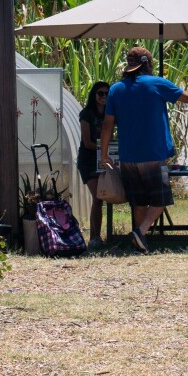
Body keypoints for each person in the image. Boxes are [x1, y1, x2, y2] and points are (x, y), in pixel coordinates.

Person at [100, 47, 188, 254]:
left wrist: (104, 153)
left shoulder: (116, 89)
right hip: (153, 155)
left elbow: (108, 125)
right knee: (161, 199)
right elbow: (187, 98)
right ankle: (141, 231)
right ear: (148, 64)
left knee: (139, 201)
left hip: (127, 158)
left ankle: (140, 241)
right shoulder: (157, 83)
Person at [77, 81, 109, 250]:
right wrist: (104, 146)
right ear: (94, 96)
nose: (104, 97)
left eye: (106, 94)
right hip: (89, 160)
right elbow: (87, 142)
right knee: (97, 197)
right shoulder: (86, 114)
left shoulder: (110, 114)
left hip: (103, 158)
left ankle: (97, 236)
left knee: (101, 198)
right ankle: (94, 237)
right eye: (100, 94)